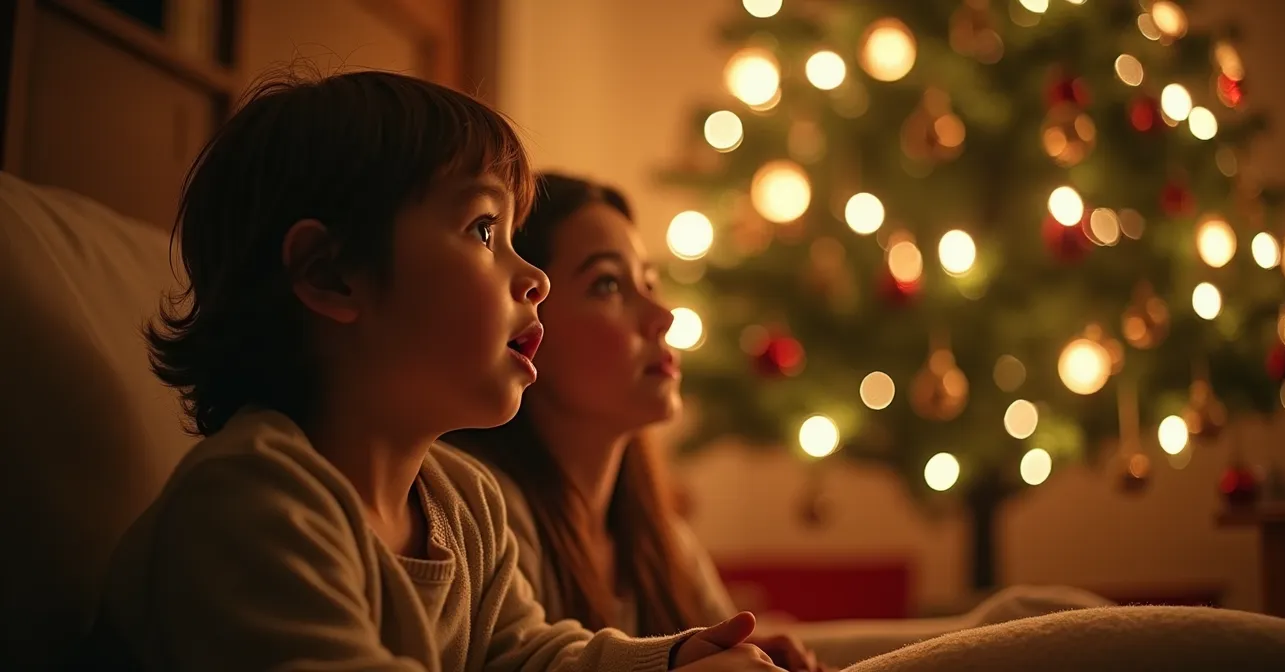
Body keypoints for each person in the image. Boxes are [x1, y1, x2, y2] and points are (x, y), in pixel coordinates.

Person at [78, 70, 785, 671]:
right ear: (333, 276)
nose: (533, 276)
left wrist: (671, 659)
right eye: (483, 230)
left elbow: (532, 655)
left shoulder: (463, 502)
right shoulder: (254, 503)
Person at [442, 173, 1113, 670]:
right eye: (609, 285)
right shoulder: (489, 516)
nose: (662, 315)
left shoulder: (658, 537)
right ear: (527, 322)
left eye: (649, 281)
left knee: (1026, 620)